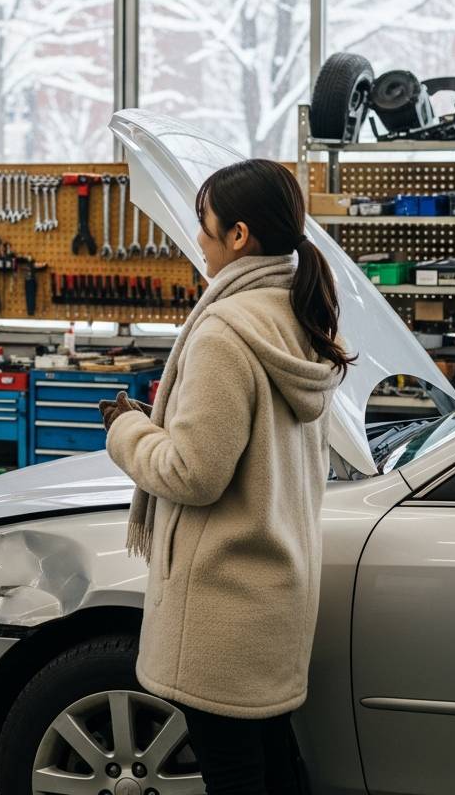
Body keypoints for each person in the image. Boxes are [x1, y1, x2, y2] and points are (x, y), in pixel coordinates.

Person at [101, 159, 352, 795]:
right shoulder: (299, 314)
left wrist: (128, 430)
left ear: (239, 236)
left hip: (221, 608)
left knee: (238, 775)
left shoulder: (223, 331)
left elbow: (192, 473)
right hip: (275, 594)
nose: (200, 238)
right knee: (272, 765)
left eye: (205, 224)